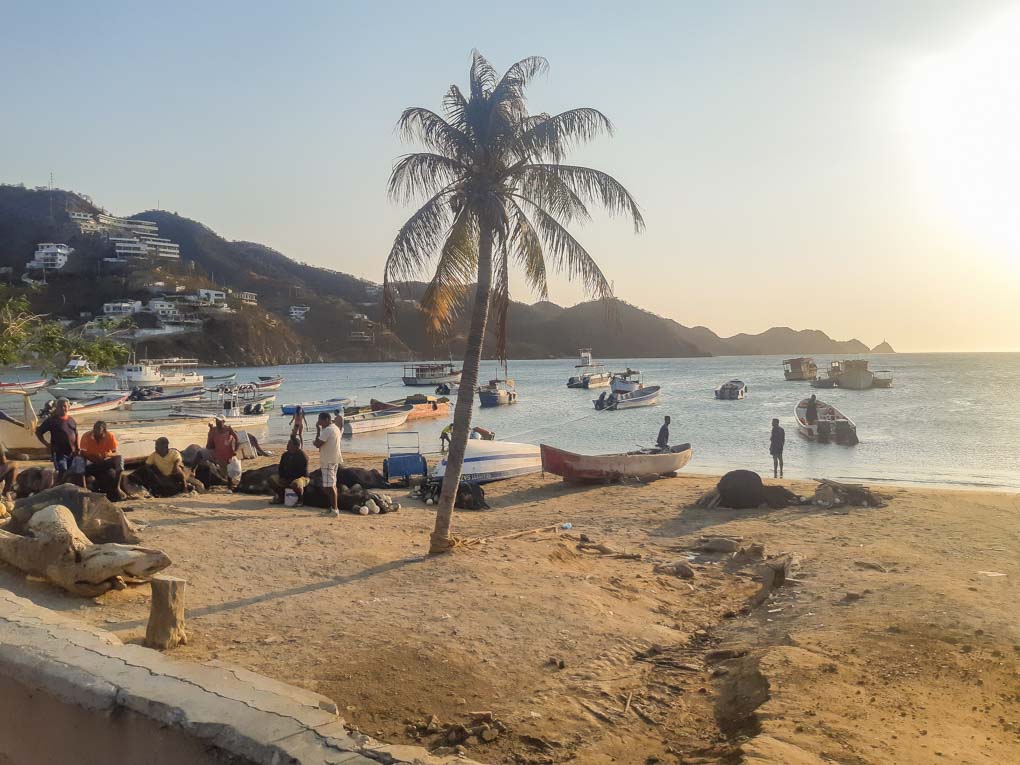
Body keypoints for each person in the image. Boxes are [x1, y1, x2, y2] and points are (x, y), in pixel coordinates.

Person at [79, 420, 126, 500]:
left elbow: (114, 452)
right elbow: (82, 453)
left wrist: (106, 455)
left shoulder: (110, 436)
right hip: (91, 463)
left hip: (104, 461)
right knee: (79, 461)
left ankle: (117, 487)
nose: (95, 430)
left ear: (104, 430)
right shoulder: (86, 436)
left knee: (119, 458)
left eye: (98, 428)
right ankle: (84, 487)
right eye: (94, 428)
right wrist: (93, 457)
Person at [35, 397, 78, 483]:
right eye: (60, 406)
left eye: (65, 406)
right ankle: (57, 488)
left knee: (71, 472)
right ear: (57, 408)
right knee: (62, 470)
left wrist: (77, 448)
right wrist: (47, 444)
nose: (63, 408)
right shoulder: (51, 421)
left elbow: (76, 433)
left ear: (69, 407)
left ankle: (66, 489)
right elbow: (38, 432)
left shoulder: (71, 420)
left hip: (71, 452)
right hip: (59, 452)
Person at [313, 412, 342, 517]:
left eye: (320, 420)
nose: (319, 423)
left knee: (329, 486)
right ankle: (332, 508)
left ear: (326, 420)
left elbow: (317, 444)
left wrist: (317, 430)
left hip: (328, 460)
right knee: (331, 485)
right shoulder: (335, 428)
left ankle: (335, 509)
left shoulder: (327, 430)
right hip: (334, 459)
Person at [270, 436, 309, 505]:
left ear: (296, 446)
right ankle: (281, 497)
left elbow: (302, 472)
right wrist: (282, 477)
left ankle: (300, 500)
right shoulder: (285, 455)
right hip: (287, 477)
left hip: (302, 477)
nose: (287, 446)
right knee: (271, 479)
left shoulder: (302, 456)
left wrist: (290, 479)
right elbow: (281, 468)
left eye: (290, 444)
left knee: (296, 483)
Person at [206, 416, 239, 486]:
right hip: (219, 454)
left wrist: (235, 450)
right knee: (223, 470)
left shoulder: (228, 429)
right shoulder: (214, 430)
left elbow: (237, 439)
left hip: (229, 453)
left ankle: (230, 483)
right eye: (216, 421)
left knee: (231, 469)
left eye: (219, 421)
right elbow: (210, 442)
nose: (217, 423)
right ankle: (228, 482)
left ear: (223, 422)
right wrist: (210, 429)